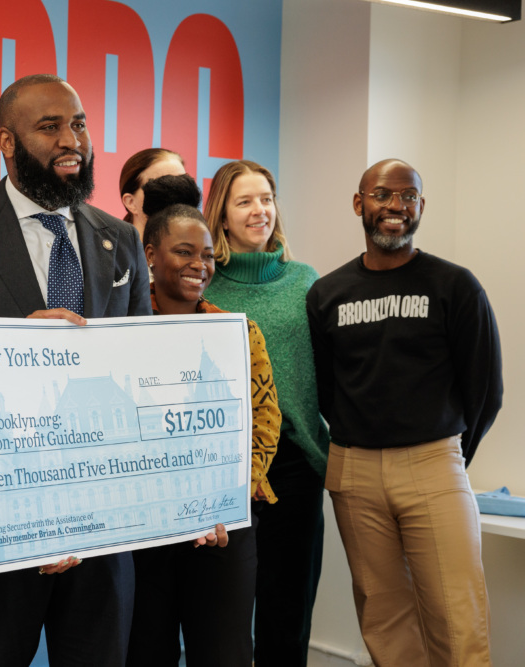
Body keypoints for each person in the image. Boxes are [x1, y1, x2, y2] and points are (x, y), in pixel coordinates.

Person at [0, 73, 153, 667]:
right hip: (1, 518)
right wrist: (10, 346)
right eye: (50, 127)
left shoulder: (120, 238)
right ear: (7, 142)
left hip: (102, 520)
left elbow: (141, 367)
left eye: (80, 124)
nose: (73, 140)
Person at [307, 159, 502, 666]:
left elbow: (485, 389)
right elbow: (328, 391)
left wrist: (447, 455)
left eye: (409, 197)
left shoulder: (455, 286)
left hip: (434, 465)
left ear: (420, 206)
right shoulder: (327, 294)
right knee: (383, 618)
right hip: (354, 471)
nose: (396, 207)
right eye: (383, 195)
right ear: (359, 204)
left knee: (458, 618)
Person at [127, 204, 281, 666]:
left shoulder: (238, 332)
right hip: (142, 534)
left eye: (209, 255)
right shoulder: (117, 332)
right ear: (150, 254)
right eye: (184, 252)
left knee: (225, 654)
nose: (200, 264)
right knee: (143, 652)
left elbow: (265, 422)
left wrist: (225, 500)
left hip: (220, 531)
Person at [202, 159, 329, 664]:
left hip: (297, 468)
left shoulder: (306, 281)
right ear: (222, 215)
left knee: (287, 615)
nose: (260, 211)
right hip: (226, 469)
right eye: (245, 201)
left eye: (267, 198)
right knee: (224, 618)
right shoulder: (204, 284)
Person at [118, 148, 188, 238]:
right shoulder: (117, 250)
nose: (177, 195)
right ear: (130, 202)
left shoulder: (199, 249)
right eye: (161, 186)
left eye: (183, 185)